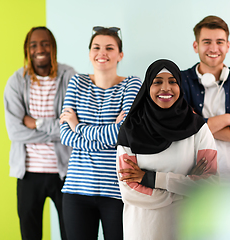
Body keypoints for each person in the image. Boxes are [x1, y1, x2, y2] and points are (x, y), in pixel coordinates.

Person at [116, 59, 218, 240]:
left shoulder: (197, 129)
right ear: (148, 87)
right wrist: (184, 191)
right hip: (143, 230)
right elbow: (129, 191)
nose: (165, 88)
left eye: (172, 81)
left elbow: (210, 185)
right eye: (157, 82)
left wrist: (152, 179)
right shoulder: (130, 130)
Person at [59, 26, 142, 240]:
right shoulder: (77, 82)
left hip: (117, 192)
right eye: (96, 47)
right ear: (89, 53)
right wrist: (110, 135)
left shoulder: (132, 84)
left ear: (120, 55)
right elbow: (65, 136)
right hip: (76, 190)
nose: (102, 53)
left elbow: (124, 135)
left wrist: (78, 127)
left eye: (109, 47)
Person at [4, 26, 76, 240]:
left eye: (45, 43)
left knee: (71, 233)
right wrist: (59, 129)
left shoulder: (70, 77)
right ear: (27, 49)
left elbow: (73, 127)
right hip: (28, 173)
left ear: (53, 47)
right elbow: (15, 133)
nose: (39, 49)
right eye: (33, 45)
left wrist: (36, 123)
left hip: (66, 172)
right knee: (30, 235)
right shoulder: (16, 82)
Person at [181, 15, 230, 184]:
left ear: (227, 46)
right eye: (207, 42)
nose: (214, 48)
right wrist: (229, 118)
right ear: (196, 46)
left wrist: (199, 126)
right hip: (196, 180)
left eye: (219, 42)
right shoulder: (181, 81)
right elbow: (182, 131)